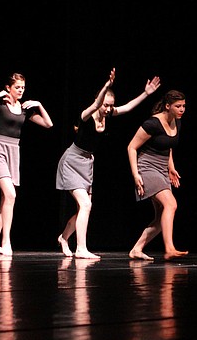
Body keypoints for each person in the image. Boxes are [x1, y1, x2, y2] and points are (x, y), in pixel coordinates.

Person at [55, 68, 161, 258]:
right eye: (105, 105)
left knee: (84, 207)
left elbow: (127, 107)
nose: (108, 108)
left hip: (87, 163)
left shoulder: (109, 114)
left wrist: (146, 93)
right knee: (86, 204)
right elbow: (96, 103)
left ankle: (64, 238)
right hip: (72, 161)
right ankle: (81, 249)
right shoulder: (87, 114)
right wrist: (107, 86)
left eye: (111, 105)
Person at [0, 73, 53, 256]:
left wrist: (39, 105)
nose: (21, 90)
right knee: (11, 194)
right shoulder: (0, 105)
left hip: (14, 152)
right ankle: (6, 241)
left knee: (5, 200)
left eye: (23, 88)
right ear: (9, 87)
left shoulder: (25, 109)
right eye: (18, 87)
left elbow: (48, 124)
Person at [127, 89, 189, 261]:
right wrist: (135, 174)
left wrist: (171, 167)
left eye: (184, 106)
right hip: (147, 167)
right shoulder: (152, 124)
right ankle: (169, 248)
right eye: (178, 106)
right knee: (171, 204)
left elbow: (168, 146)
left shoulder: (177, 122)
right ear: (168, 106)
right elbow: (131, 147)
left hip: (162, 168)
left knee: (162, 215)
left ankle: (136, 249)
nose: (182, 109)